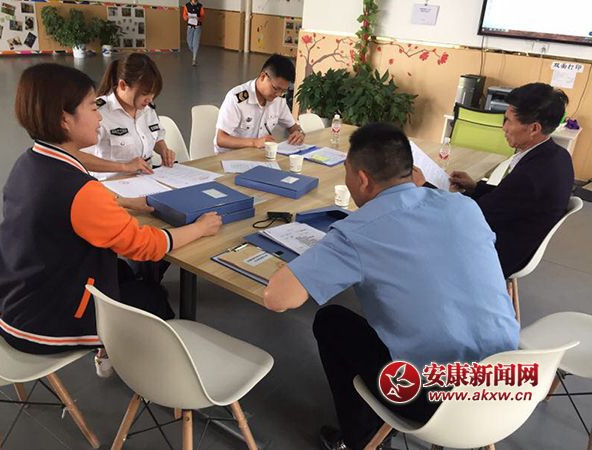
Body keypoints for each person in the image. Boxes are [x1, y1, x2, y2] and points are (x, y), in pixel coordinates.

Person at [263, 123, 520, 450]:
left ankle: (361, 440)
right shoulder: (464, 207)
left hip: (439, 403)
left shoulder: (358, 232)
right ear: (410, 170)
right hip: (509, 383)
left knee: (331, 321)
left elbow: (277, 298)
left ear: (362, 179)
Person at [0, 64, 221, 378]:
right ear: (64, 119)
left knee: (121, 273)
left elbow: (74, 207)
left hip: (11, 303)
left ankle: (113, 350)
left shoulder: (30, 162)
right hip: (42, 324)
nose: (99, 116)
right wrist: (200, 228)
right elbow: (146, 246)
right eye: (91, 107)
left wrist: (126, 202)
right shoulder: (80, 190)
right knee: (152, 298)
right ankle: (163, 378)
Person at [450, 83, 574, 278]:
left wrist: (426, 187)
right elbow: (507, 198)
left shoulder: (532, 176)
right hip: (519, 240)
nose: (504, 128)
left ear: (534, 128)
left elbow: (474, 215)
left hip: (499, 253)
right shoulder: (558, 156)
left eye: (508, 121)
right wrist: (474, 187)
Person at [79, 53, 176, 179]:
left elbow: (156, 135)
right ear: (123, 85)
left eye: (153, 94)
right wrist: (124, 167)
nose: (150, 99)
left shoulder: (147, 108)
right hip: (111, 184)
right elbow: (79, 157)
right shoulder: (98, 112)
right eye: (145, 93)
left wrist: (164, 151)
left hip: (147, 179)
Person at [214, 53, 305, 153]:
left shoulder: (278, 100)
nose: (278, 94)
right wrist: (255, 142)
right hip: (230, 157)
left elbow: (292, 126)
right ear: (263, 76)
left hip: (258, 155)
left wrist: (299, 133)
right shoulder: (237, 99)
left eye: (283, 91)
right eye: (276, 88)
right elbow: (221, 139)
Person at [183, 0, 204, 66]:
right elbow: (184, 16)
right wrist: (187, 17)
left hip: (197, 27)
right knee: (189, 43)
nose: (194, 2)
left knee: (195, 43)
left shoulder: (200, 6)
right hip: (190, 27)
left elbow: (202, 17)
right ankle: (194, 52)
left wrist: (199, 18)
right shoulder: (186, 6)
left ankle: (194, 59)